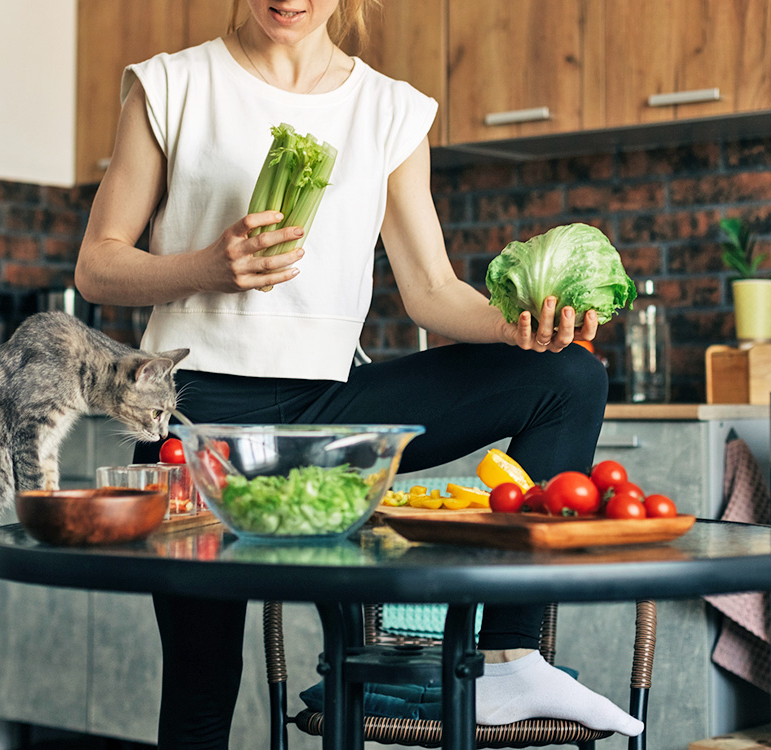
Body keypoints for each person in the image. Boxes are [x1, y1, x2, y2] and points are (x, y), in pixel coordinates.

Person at [74, 1, 644, 747]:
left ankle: (508, 656)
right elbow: (97, 264)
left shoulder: (389, 109)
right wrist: (208, 268)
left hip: (331, 415)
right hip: (198, 421)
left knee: (567, 377)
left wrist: (515, 326)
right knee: (201, 689)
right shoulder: (172, 84)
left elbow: (431, 291)